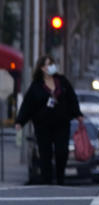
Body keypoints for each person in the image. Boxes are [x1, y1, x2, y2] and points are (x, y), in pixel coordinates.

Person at [15, 55, 83, 185]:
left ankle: (60, 179)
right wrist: (20, 121)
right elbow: (27, 105)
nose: (51, 66)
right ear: (42, 68)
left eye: (52, 63)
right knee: (45, 153)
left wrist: (78, 114)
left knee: (62, 151)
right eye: (47, 64)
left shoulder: (62, 81)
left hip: (62, 123)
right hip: (43, 125)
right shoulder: (36, 86)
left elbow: (72, 98)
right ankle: (47, 180)